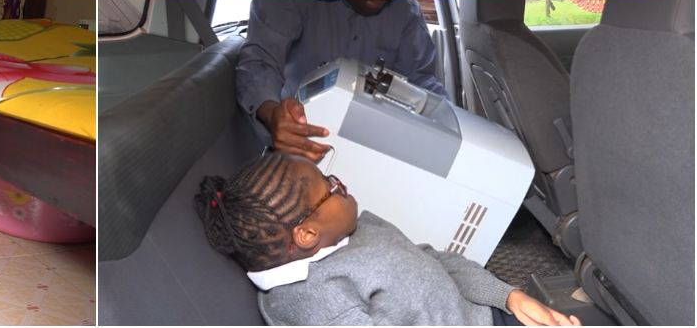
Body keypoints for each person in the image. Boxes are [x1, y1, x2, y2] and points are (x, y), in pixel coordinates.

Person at [194, 152, 583, 326]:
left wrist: (508, 297)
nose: (339, 184)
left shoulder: (361, 229)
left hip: (489, 314)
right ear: (307, 232)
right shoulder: (311, 300)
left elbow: (437, 260)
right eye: (329, 187)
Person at [236, 0, 447, 159]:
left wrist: (449, 121)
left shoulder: (405, 8)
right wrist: (273, 114)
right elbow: (260, 61)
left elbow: (421, 79)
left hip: (372, 147)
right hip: (298, 142)